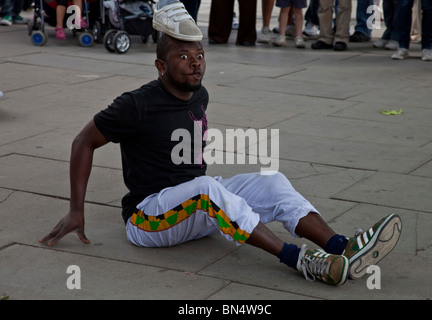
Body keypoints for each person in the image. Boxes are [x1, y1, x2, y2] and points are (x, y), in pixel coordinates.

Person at [40, 30, 402, 286]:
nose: (195, 64)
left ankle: (342, 248)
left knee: (271, 179)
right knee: (207, 189)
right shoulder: (136, 105)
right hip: (149, 218)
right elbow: (83, 141)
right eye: (183, 57)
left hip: (195, 206)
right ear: (160, 66)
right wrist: (76, 208)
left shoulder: (199, 94)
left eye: (199, 55)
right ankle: (303, 263)